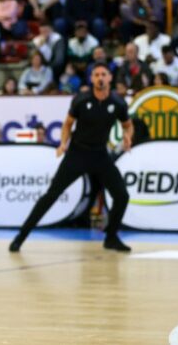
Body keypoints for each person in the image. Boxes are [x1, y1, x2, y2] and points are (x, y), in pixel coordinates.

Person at [9, 63, 133, 253]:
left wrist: (127, 137)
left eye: (103, 74)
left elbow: (127, 125)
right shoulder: (81, 100)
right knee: (51, 195)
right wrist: (62, 144)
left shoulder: (117, 103)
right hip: (77, 153)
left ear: (109, 78)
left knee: (122, 196)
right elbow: (67, 125)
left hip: (100, 154)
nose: (100, 78)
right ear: (92, 79)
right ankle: (21, 236)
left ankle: (111, 237)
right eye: (96, 74)